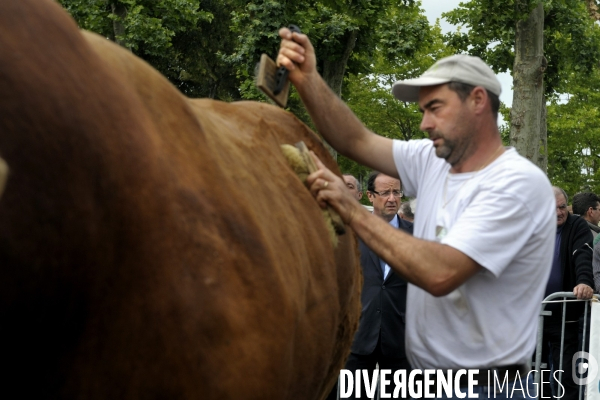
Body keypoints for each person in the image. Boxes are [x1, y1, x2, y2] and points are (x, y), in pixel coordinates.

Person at [278, 28, 556, 398]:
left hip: (489, 389)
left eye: (435, 108)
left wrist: (351, 210)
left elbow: (440, 273)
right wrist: (308, 79)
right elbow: (355, 140)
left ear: (477, 101)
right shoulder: (432, 160)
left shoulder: (516, 184)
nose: (425, 123)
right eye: (423, 110)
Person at [328, 172, 412, 400]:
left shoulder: (416, 236)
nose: (392, 198)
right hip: (358, 338)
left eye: (397, 192)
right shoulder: (349, 235)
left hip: (400, 341)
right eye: (385, 193)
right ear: (370, 196)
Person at [542, 187, 594, 400]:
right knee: (534, 373)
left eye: (562, 207)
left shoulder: (577, 225)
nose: (559, 212)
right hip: (532, 316)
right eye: (552, 208)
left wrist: (583, 282)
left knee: (566, 375)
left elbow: (582, 254)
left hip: (565, 317)